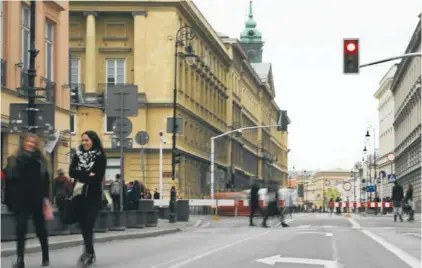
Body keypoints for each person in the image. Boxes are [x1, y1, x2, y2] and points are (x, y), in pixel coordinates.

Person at [5, 133, 50, 268]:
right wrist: (9, 201)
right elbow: (10, 182)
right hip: (20, 200)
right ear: (24, 143)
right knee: (21, 229)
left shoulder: (41, 161)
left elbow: (46, 182)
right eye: (28, 141)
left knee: (40, 229)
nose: (30, 144)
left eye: (33, 142)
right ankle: (20, 259)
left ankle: (45, 256)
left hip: (37, 200)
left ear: (36, 145)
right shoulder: (15, 159)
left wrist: (46, 200)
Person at [69, 130, 107, 266]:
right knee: (83, 225)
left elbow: (97, 177)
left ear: (93, 141)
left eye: (87, 140)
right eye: (83, 140)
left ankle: (88, 253)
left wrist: (82, 175)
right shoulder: (77, 154)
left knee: (88, 224)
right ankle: (89, 251)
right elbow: (71, 172)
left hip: (93, 196)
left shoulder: (100, 156)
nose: (84, 143)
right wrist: (87, 174)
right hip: (79, 195)